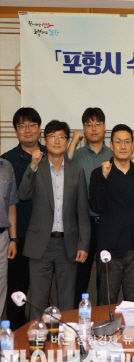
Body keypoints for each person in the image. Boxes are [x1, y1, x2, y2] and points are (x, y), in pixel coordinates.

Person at [18, 120, 90, 318]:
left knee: (67, 301)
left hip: (68, 245)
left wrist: (83, 244)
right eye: (52, 136)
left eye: (61, 137)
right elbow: (23, 194)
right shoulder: (36, 167)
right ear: (45, 140)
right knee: (37, 301)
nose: (57, 141)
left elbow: (83, 212)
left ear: (67, 141)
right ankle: (37, 337)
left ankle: (67, 338)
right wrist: (32, 166)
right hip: (40, 244)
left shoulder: (76, 171)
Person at [89, 124, 134, 305]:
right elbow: (96, 206)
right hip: (109, 248)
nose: (123, 146)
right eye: (118, 142)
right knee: (106, 303)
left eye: (127, 142)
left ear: (133, 145)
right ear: (111, 145)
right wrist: (104, 179)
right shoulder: (99, 173)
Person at [1, 107, 46, 328]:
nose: (27, 130)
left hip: (47, 236)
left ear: (39, 128)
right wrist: (13, 238)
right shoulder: (6, 161)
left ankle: (43, 337)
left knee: (43, 293)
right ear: (16, 130)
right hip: (19, 236)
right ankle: (16, 337)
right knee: (17, 291)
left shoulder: (52, 154)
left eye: (32, 125)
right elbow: (8, 203)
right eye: (22, 126)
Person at [67, 107, 113, 305]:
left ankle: (105, 317)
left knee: (106, 278)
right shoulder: (76, 155)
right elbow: (61, 169)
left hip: (107, 224)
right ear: (83, 128)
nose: (93, 128)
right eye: (89, 124)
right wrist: (73, 142)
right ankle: (77, 318)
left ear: (105, 127)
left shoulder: (113, 154)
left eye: (98, 124)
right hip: (82, 224)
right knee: (79, 278)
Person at [0, 159, 18, 317]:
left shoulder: (6, 166)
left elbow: (11, 204)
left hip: (2, 237)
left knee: (1, 286)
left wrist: (13, 239)